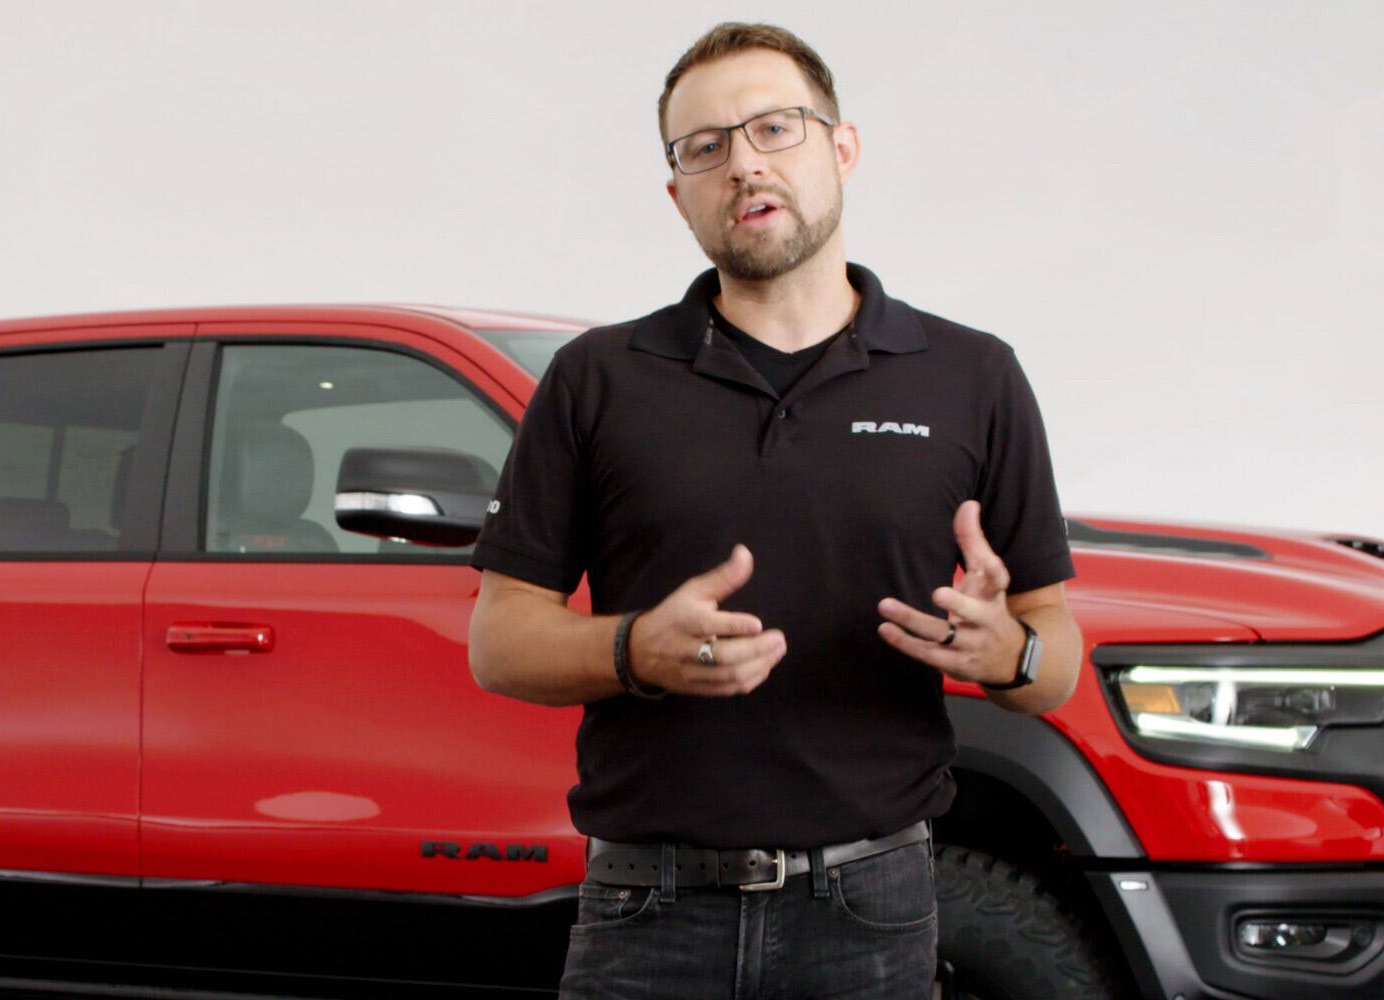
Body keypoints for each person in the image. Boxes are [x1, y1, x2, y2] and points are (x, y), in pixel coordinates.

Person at [463, 20, 1086, 999]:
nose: (743, 164)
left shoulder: (973, 377)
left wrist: (1010, 652)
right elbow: (499, 640)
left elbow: (1055, 655)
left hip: (873, 905)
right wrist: (633, 650)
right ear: (678, 194)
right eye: (704, 147)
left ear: (842, 147)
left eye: (774, 128)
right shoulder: (597, 379)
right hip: (647, 908)